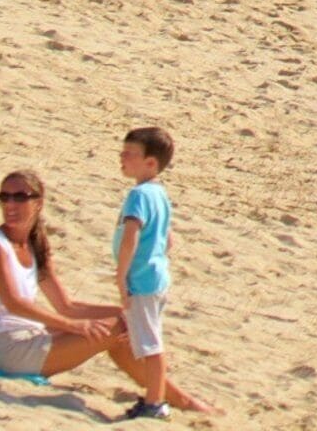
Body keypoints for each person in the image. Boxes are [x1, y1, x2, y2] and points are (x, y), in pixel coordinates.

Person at [0, 170, 122, 381]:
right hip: (3, 347)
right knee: (118, 329)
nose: (10, 204)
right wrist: (74, 326)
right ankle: (162, 398)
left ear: (38, 203)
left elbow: (67, 306)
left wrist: (128, 312)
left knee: (127, 324)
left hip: (29, 335)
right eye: (4, 197)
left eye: (20, 197)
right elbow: (14, 304)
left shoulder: (35, 244)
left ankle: (158, 396)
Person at [111, 125, 203, 417]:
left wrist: (122, 275)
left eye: (130, 154)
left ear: (151, 162)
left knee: (150, 344)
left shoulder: (139, 195)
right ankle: (154, 399)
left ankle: (155, 402)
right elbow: (168, 239)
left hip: (142, 281)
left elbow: (131, 237)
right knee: (151, 339)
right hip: (156, 277)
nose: (122, 158)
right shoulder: (159, 194)